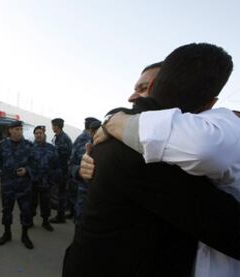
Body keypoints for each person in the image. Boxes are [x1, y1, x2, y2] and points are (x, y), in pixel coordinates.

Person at [63, 43, 240, 276]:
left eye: (143, 87)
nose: (132, 95)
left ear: (156, 85)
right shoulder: (132, 145)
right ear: (209, 104)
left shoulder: (142, 142)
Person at [0, 120, 35, 249]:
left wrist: (26, 170)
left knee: (25, 211)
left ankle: (25, 235)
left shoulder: (29, 146)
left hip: (24, 186)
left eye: (20, 129)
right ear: (10, 131)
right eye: (16, 129)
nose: (19, 132)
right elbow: (0, 162)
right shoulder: (2, 146)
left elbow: (35, 164)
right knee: (7, 210)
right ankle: (7, 233)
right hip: (8, 184)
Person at [68, 117, 100, 225]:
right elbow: (71, 163)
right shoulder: (81, 140)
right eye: (93, 130)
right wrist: (79, 172)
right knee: (80, 220)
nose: (94, 133)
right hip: (84, 189)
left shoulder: (106, 145)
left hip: (99, 193)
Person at [31, 125, 60, 231]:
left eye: (40, 133)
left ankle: (45, 221)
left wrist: (54, 179)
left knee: (46, 203)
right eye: (36, 133)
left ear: (44, 135)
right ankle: (30, 220)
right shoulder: (30, 148)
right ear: (34, 135)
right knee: (31, 202)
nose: (38, 135)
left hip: (46, 182)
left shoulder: (51, 148)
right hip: (33, 182)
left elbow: (56, 165)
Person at [49, 118, 72, 223]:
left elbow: (63, 155)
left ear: (56, 126)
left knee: (61, 194)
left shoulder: (63, 138)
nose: (52, 127)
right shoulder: (58, 137)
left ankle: (60, 216)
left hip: (62, 170)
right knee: (59, 193)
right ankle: (60, 215)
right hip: (58, 169)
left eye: (52, 125)